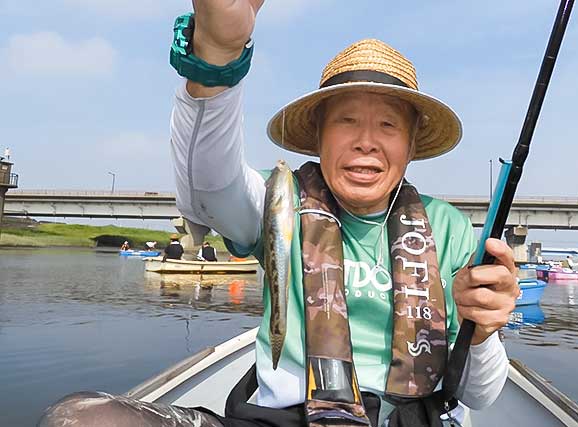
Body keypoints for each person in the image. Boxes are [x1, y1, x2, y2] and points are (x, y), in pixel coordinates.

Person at [40, 1, 519, 426]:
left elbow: (478, 393)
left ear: (411, 146)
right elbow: (208, 188)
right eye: (347, 120)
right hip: (286, 418)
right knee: (80, 419)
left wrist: (484, 331)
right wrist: (216, 58)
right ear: (318, 135)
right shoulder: (282, 197)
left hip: (410, 420)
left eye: (388, 125)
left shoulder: (449, 228)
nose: (366, 140)